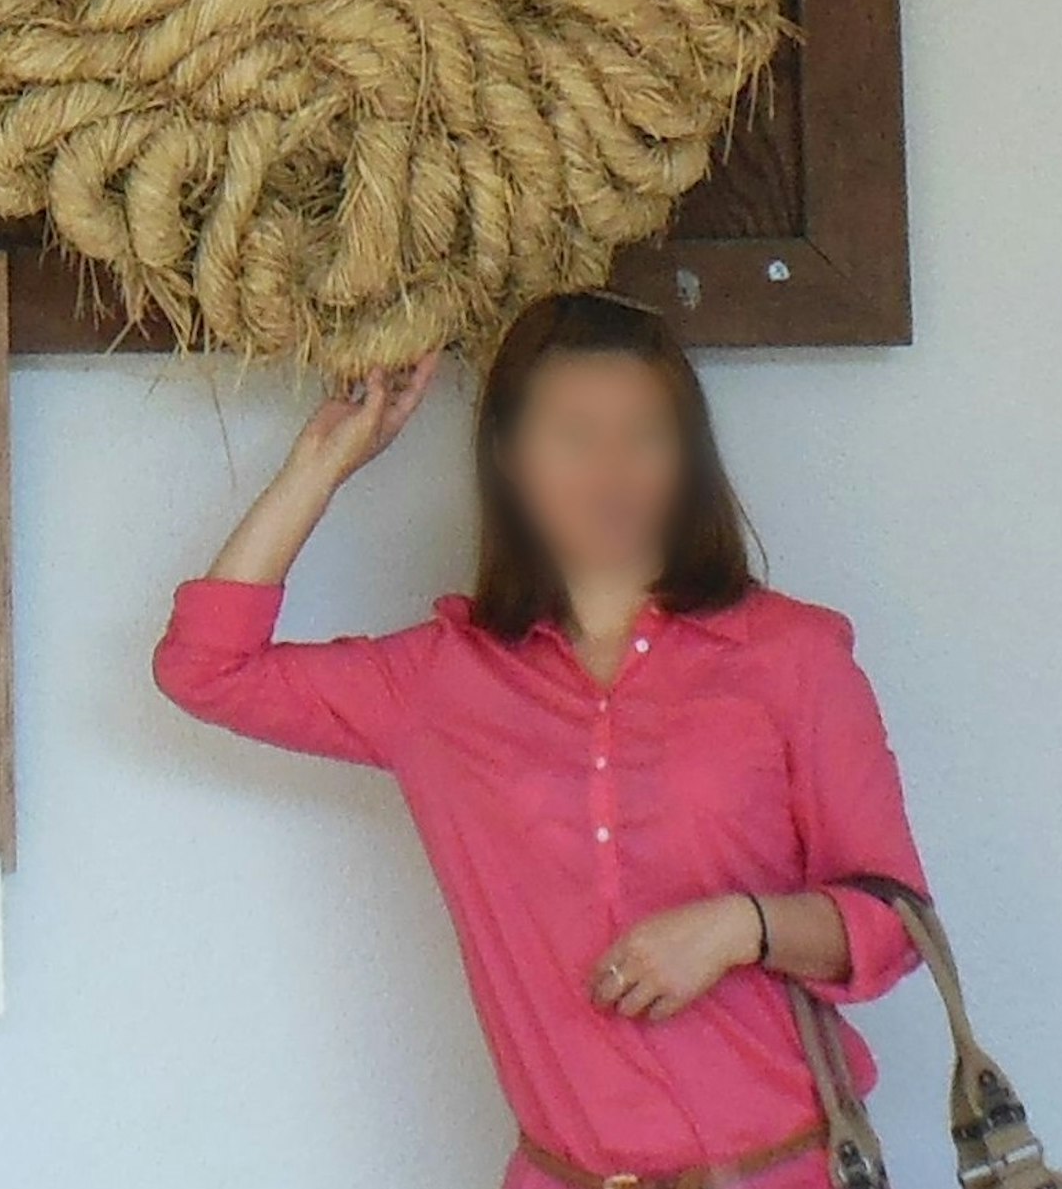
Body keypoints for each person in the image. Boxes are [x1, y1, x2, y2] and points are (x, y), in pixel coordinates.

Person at [157, 290, 927, 1189]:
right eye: (575, 436)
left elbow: (895, 920)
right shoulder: (441, 684)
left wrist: (738, 927)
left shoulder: (793, 656)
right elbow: (204, 666)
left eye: (648, 434)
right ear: (511, 461)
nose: (615, 470)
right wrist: (324, 464)